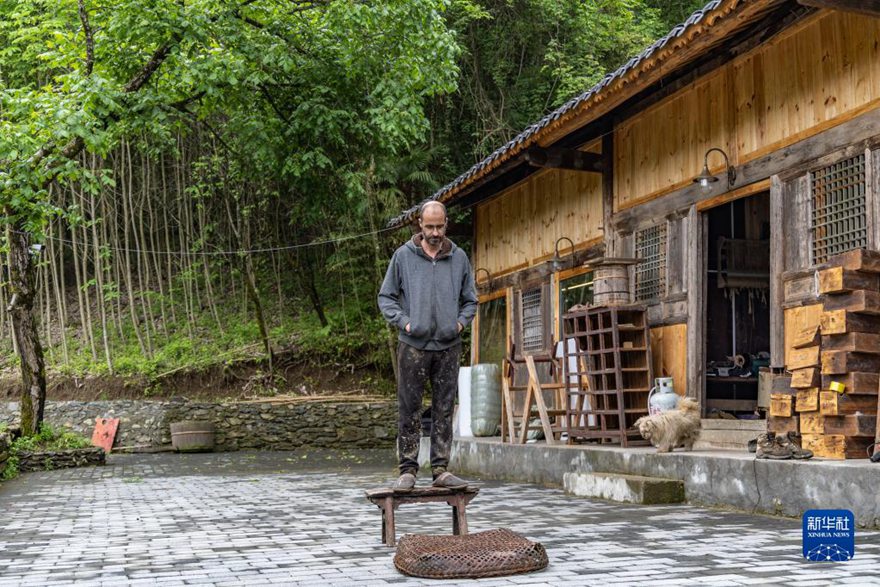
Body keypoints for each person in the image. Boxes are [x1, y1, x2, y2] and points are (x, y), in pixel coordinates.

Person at [378, 200, 477, 491]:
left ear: (446, 224)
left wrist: (458, 324)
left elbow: (471, 299)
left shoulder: (458, 258)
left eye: (440, 226)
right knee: (409, 407)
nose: (435, 232)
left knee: (444, 407)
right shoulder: (402, 257)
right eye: (429, 226)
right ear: (420, 224)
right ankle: (408, 470)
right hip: (413, 344)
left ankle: (440, 470)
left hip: (449, 345)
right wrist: (406, 323)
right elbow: (386, 297)